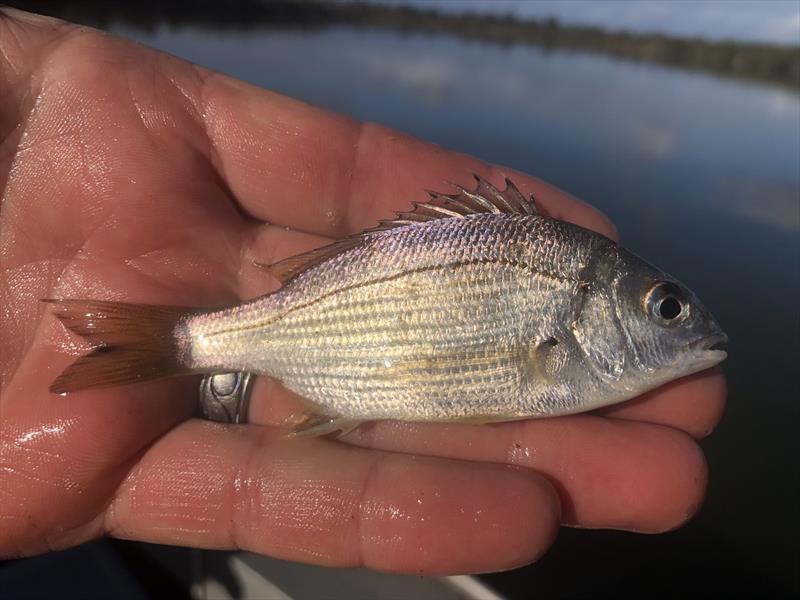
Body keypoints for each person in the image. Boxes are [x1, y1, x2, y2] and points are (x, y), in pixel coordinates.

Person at [0, 8, 726, 575]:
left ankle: (165, 346)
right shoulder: (563, 284)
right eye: (666, 308)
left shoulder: (567, 294)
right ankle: (171, 343)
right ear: (598, 302)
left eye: (671, 309)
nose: (680, 324)